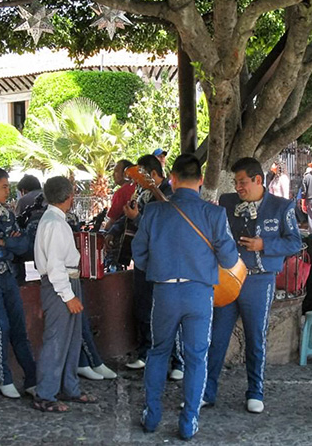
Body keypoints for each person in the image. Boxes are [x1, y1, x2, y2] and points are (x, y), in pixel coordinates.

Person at [131, 154, 241, 440]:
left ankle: (152, 416)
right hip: (199, 294)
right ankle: (189, 421)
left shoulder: (154, 213)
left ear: (173, 179)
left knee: (158, 352)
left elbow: (139, 255)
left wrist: (159, 265)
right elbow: (229, 259)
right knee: (196, 358)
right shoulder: (214, 214)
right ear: (201, 181)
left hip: (164, 292)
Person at [206, 157, 301, 414]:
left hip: (260, 279)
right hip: (227, 278)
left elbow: (295, 243)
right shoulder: (226, 202)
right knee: (216, 337)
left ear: (258, 180)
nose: (238, 187)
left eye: (243, 182)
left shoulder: (283, 207)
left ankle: (255, 391)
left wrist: (264, 245)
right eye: (236, 182)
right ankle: (207, 391)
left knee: (256, 337)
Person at [33, 176, 97, 412]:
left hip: (66, 283)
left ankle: (68, 388)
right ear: (69, 196)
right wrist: (68, 296)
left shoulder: (54, 220)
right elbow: (55, 266)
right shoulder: (54, 223)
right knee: (57, 340)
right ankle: (45, 395)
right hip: (60, 285)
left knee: (69, 340)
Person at [123, 155, 183, 379]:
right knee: (143, 308)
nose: (137, 183)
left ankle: (179, 361)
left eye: (141, 177)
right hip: (144, 260)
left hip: (166, 263)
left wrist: (137, 218)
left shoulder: (170, 194)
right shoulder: (143, 192)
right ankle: (145, 351)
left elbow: (166, 226)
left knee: (171, 312)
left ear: (153, 175)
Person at [0, 168, 37, 399]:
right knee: (1, 327)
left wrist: (3, 243)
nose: (8, 190)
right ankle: (4, 378)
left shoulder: (7, 214)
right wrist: (6, 244)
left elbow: (24, 245)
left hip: (8, 277)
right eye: (3, 186)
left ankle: (31, 379)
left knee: (19, 327)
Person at [102, 159, 135, 230]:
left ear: (126, 173)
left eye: (116, 171)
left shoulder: (121, 192)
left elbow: (113, 220)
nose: (113, 174)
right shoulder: (139, 187)